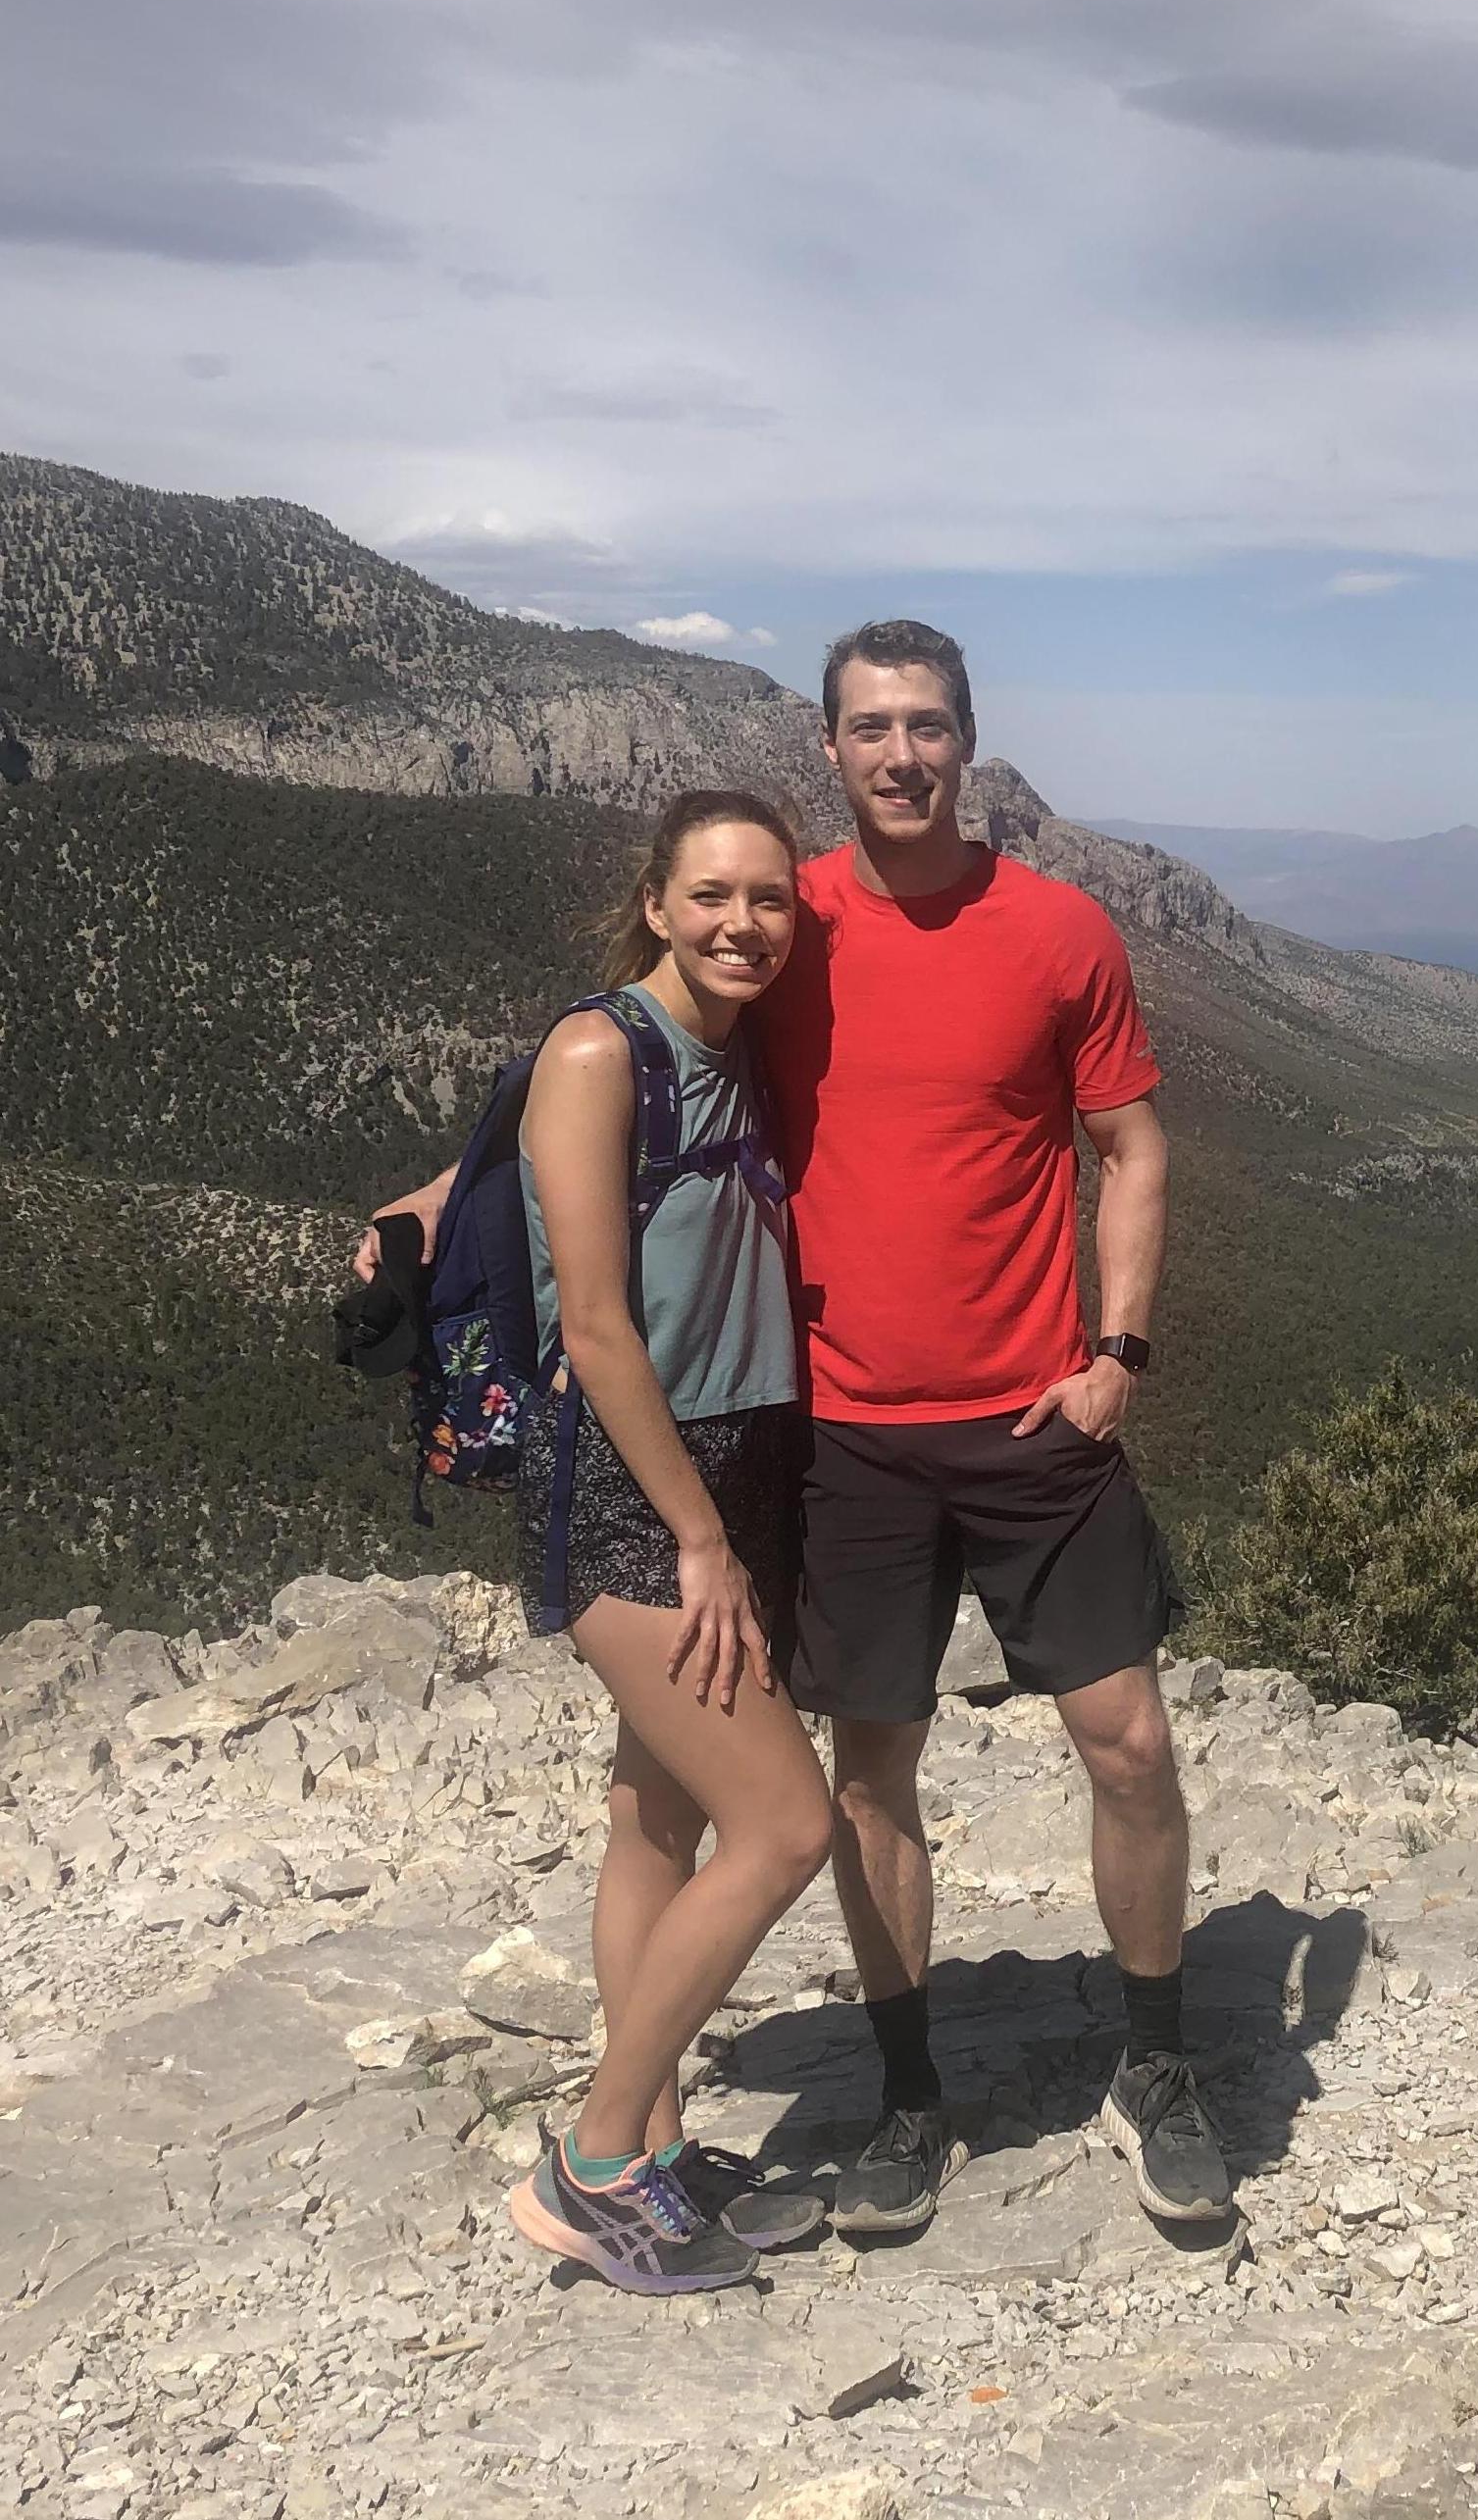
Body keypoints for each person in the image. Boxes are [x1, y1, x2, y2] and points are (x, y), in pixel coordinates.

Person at [368, 630, 1228, 2236]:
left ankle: (1157, 2063)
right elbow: (590, 1072)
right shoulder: (791, 919)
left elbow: (1132, 1145)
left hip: (1027, 1409)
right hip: (838, 1435)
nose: (901, 753)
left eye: (927, 725)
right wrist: (431, 1202)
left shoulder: (1057, 930)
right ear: (828, 749)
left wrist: (1117, 1349)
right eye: (870, 727)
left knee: (1128, 1741)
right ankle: (901, 2099)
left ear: (967, 740)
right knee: (864, 1774)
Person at [497, 789, 839, 2293]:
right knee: (786, 1826)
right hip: (638, 1487)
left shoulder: (732, 1041)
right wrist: (702, 1539)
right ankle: (590, 2160)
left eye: (769, 898)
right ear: (654, 902)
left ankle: (653, 2145)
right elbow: (594, 1323)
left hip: (739, 1460)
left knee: (658, 1818)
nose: (741, 923)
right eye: (710, 895)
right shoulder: (600, 1050)